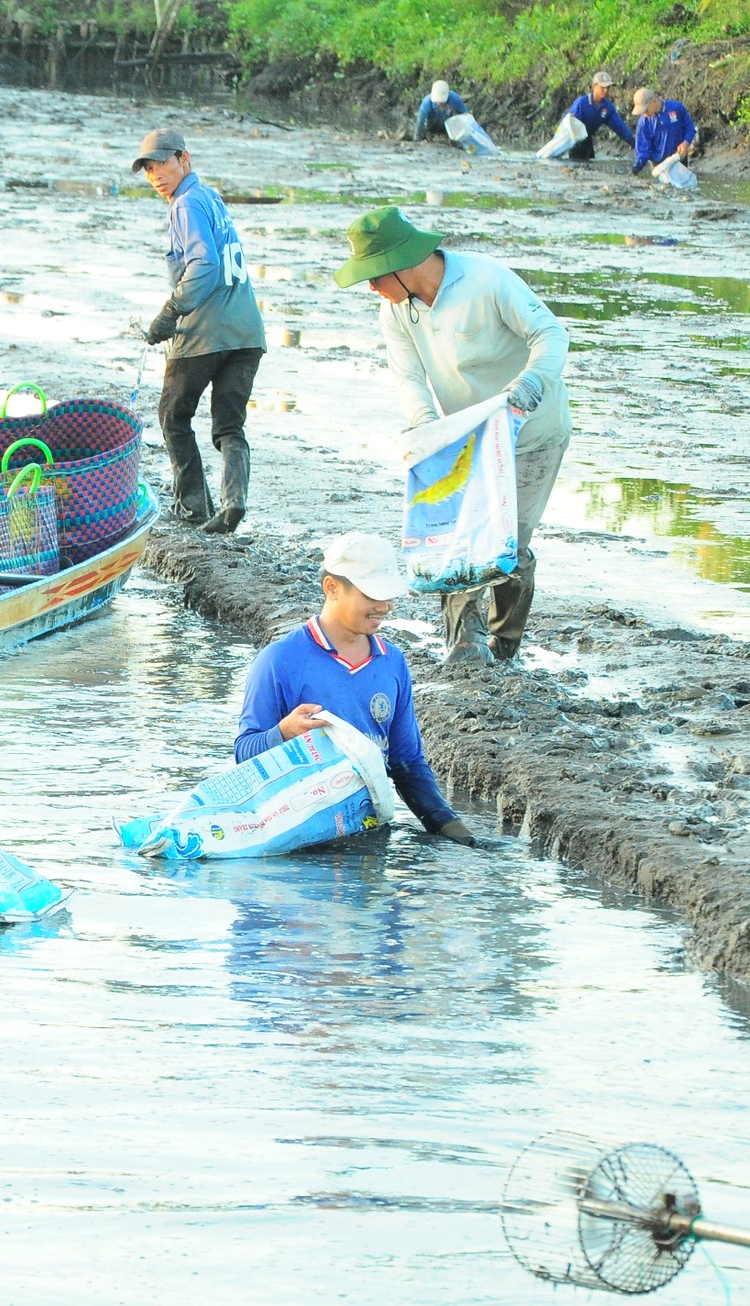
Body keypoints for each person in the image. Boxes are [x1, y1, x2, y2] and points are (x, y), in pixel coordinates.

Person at [333, 206, 570, 667]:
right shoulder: (397, 310)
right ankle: (464, 643)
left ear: (401, 265)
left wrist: (531, 383)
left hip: (532, 430)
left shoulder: (487, 281)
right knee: (458, 538)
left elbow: (551, 333)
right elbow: (409, 377)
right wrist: (426, 428)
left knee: (507, 546)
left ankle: (504, 642)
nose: (370, 287)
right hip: (465, 439)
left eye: (374, 275)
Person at [235, 532, 477, 847]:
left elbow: (407, 763)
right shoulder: (280, 660)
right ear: (332, 588)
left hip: (368, 835)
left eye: (389, 596)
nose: (385, 606)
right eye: (372, 596)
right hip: (295, 839)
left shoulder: (392, 663)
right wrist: (283, 733)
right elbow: (244, 753)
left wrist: (452, 829)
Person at [131, 127, 266, 535]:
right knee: (228, 425)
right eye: (149, 170)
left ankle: (193, 506)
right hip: (248, 332)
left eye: (162, 165)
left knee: (173, 416)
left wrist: (171, 312)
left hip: (205, 333)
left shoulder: (184, 204)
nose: (156, 176)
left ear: (184, 160)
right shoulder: (210, 197)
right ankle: (233, 501)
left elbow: (204, 265)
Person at [562, 71, 633, 161]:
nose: (606, 90)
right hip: (574, 141)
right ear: (594, 86)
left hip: (588, 141)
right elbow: (568, 124)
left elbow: (621, 128)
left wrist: (635, 144)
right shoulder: (582, 103)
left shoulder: (607, 108)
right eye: (603, 87)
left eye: (608, 87)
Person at [631, 88, 696, 174]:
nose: (645, 114)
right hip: (658, 165)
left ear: (653, 101)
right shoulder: (643, 122)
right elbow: (643, 151)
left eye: (646, 110)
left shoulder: (676, 108)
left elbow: (690, 128)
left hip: (679, 159)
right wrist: (635, 170)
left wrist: (685, 143)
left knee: (682, 186)